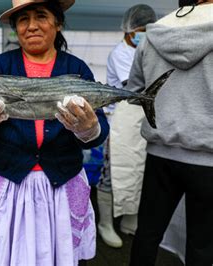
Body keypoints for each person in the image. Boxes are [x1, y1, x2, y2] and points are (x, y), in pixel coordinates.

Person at [0, 0, 109, 265]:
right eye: (23, 20)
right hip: (7, 181)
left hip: (60, 182)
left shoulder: (77, 69)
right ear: (16, 28)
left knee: (55, 256)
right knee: (6, 255)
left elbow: (99, 132)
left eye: (41, 16)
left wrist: (89, 129)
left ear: (58, 24)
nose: (32, 26)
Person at [126, 0, 213, 265]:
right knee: (201, 245)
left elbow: (135, 91)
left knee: (147, 235)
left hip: (159, 155)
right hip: (208, 159)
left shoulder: (154, 33)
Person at [96, 4, 157, 248]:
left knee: (138, 170)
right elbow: (133, 90)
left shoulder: (148, 49)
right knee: (113, 172)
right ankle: (105, 224)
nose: (144, 34)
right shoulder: (120, 53)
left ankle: (129, 221)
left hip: (141, 121)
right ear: (129, 30)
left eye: (148, 29)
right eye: (140, 30)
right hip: (120, 122)